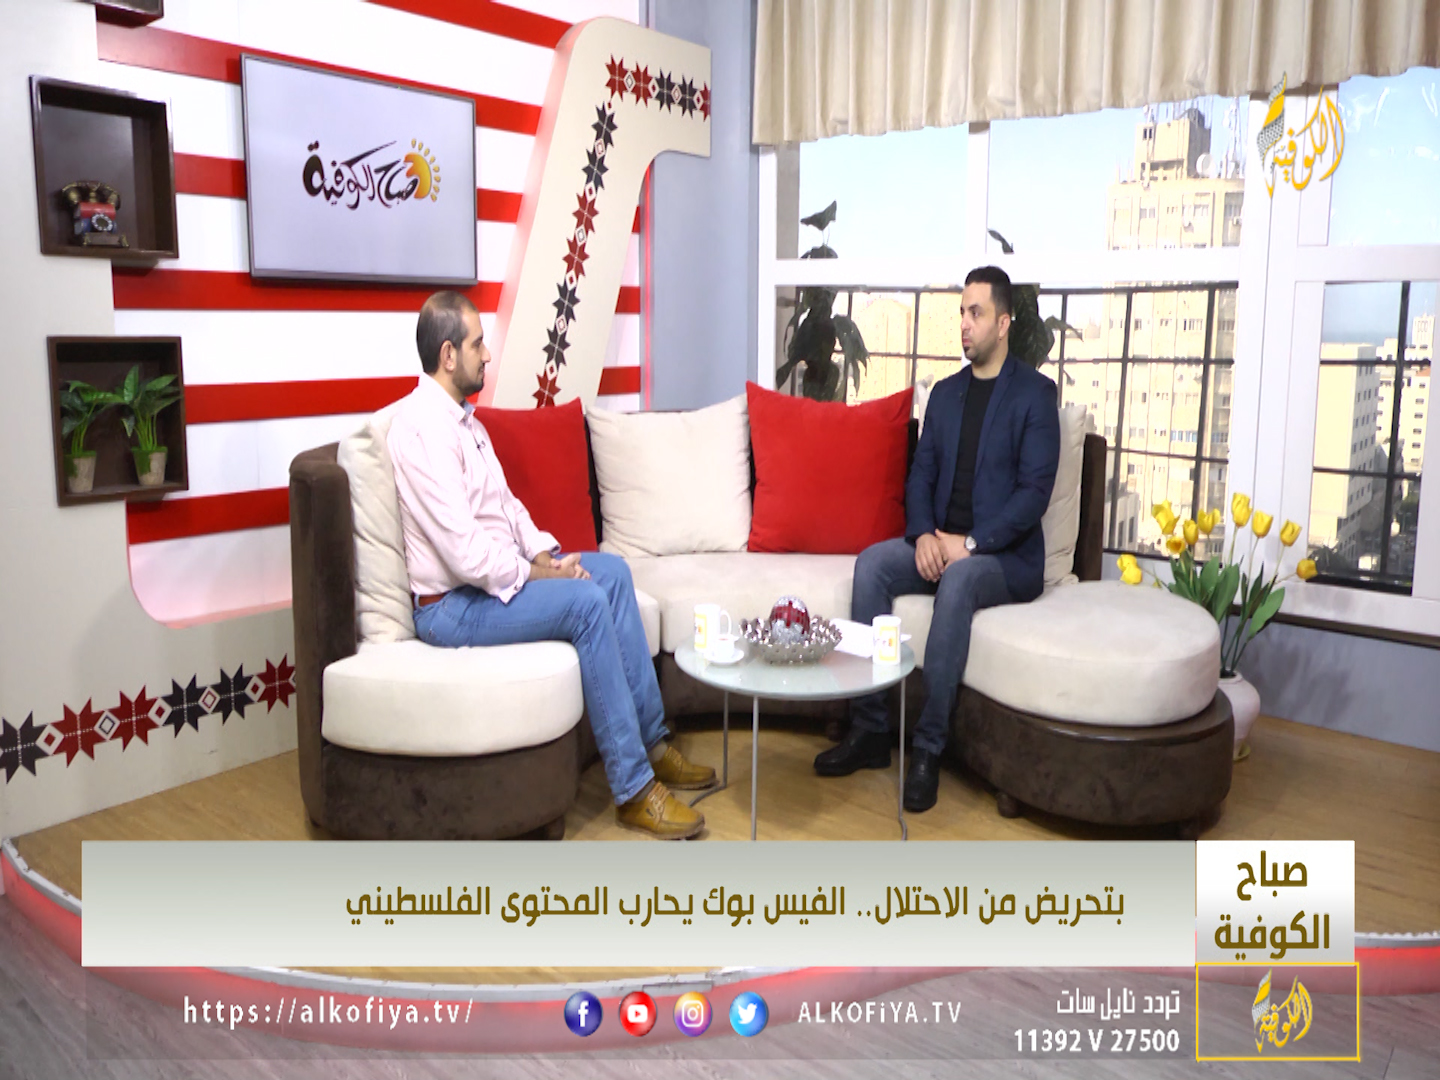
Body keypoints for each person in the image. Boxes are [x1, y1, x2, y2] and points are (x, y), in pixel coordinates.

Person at [387, 291, 715, 839]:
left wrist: (542, 552)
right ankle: (634, 790)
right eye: (477, 345)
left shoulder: (467, 424)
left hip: (491, 584)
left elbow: (507, 507)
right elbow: (466, 555)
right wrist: (545, 575)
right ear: (448, 355)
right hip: (451, 608)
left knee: (612, 574)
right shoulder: (421, 432)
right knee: (585, 603)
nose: (487, 355)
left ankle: (653, 744)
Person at [814, 266, 1060, 812]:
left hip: (1002, 559)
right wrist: (924, 534)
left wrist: (967, 545)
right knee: (872, 565)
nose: (964, 324)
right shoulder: (945, 395)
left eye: (975, 313)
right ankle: (870, 728)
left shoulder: (1035, 395)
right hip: (941, 542)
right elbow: (920, 474)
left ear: (1003, 323)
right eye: (961, 313)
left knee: (960, 581)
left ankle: (927, 748)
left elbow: (1033, 495)